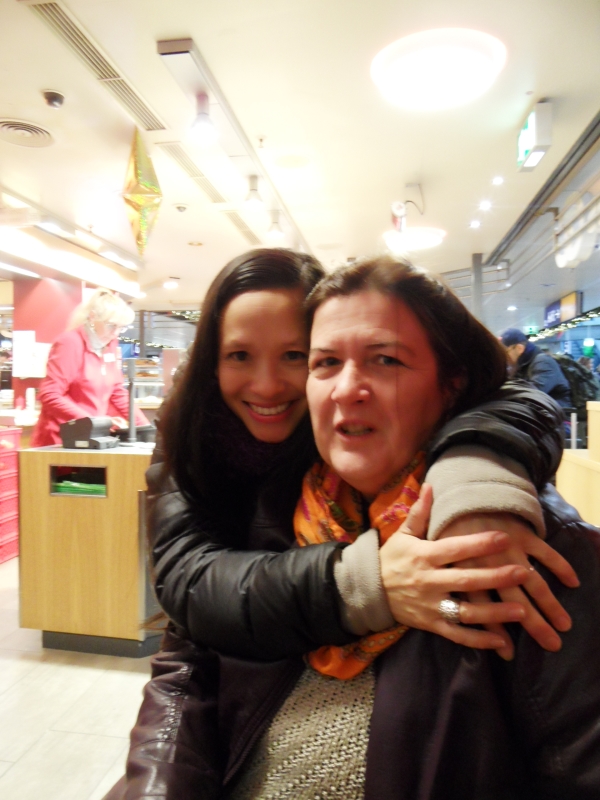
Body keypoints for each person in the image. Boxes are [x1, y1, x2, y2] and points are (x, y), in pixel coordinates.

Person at [104, 251, 578, 800]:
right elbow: (190, 623)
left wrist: (477, 471)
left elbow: (514, 404)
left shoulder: (497, 539)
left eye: (294, 356)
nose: (267, 385)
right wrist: (369, 583)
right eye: (326, 362)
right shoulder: (229, 467)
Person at [31, 288, 148, 447]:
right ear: (92, 317)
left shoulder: (109, 345)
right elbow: (50, 394)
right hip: (60, 440)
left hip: (93, 437)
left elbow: (117, 392)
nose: (115, 333)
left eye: (121, 328)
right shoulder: (70, 343)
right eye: (111, 325)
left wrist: (145, 428)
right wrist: (96, 422)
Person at [500, 327, 572, 409]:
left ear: (519, 348)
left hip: (558, 413)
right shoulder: (523, 365)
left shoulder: (543, 362)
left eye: (506, 352)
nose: (504, 357)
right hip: (544, 411)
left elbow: (533, 394)